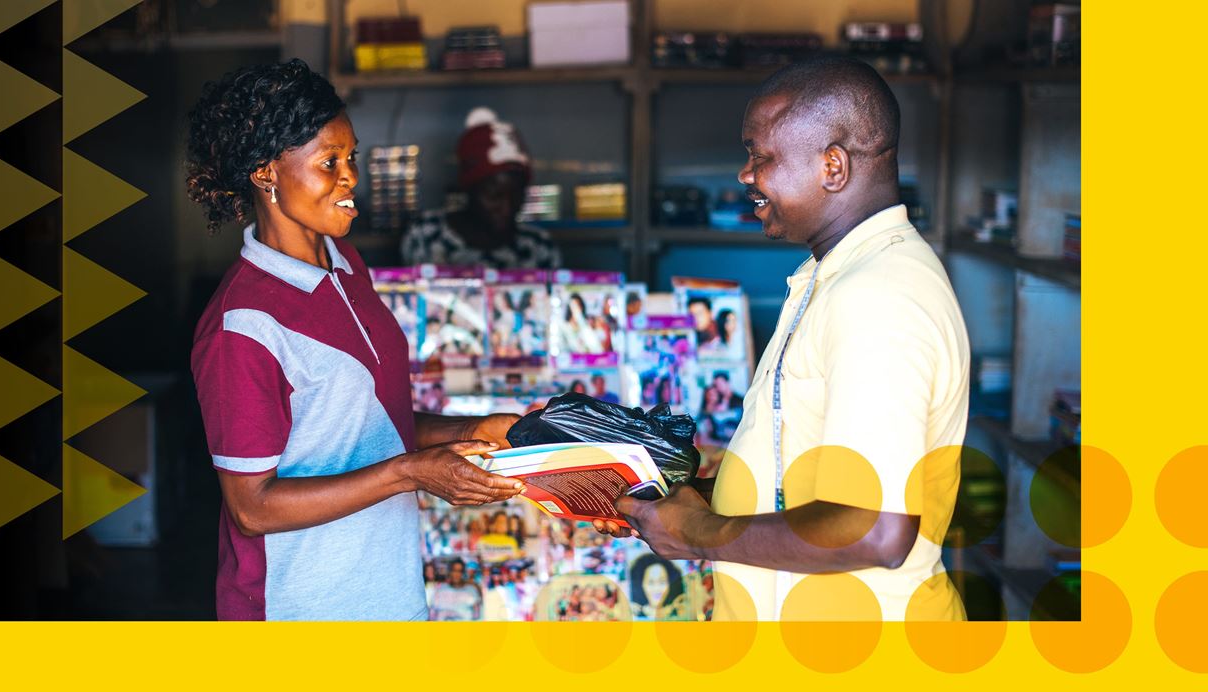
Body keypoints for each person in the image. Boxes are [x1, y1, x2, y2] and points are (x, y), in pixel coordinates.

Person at [597, 56, 971, 622]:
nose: (746, 175)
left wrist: (700, 533)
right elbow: (806, 466)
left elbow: (874, 530)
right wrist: (702, 495)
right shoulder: (840, 276)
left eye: (761, 156)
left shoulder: (879, 297)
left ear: (833, 167)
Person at [186, 59, 525, 621]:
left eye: (352, 158)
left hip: (386, 596)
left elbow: (366, 424)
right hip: (299, 614)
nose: (350, 178)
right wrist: (412, 472)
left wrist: (474, 431)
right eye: (329, 162)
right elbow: (252, 509)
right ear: (266, 172)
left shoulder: (346, 266)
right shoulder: (241, 325)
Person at [401, 108, 561, 269]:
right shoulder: (426, 236)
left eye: (516, 194)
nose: (506, 207)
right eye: (494, 195)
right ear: (468, 189)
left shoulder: (538, 247)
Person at [628, 554, 688, 621]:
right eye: (651, 583)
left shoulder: (681, 612)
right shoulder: (632, 614)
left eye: (662, 582)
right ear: (640, 585)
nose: (657, 589)